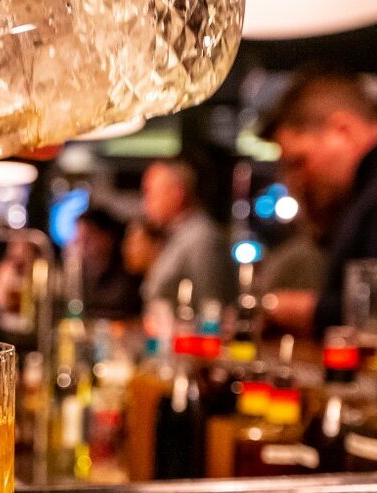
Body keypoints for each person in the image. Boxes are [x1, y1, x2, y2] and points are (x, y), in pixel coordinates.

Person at [257, 65, 377, 337]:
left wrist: (283, 308)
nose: (295, 181)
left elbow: (371, 312)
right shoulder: (359, 196)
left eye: (299, 162)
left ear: (343, 130)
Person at [138, 158, 235, 308]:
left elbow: (212, 309)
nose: (145, 203)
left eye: (150, 193)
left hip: (187, 332)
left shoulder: (202, 239)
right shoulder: (179, 234)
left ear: (177, 194)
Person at [73, 207, 142, 319]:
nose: (81, 247)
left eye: (87, 239)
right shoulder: (80, 275)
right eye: (78, 239)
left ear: (107, 238)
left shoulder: (131, 271)